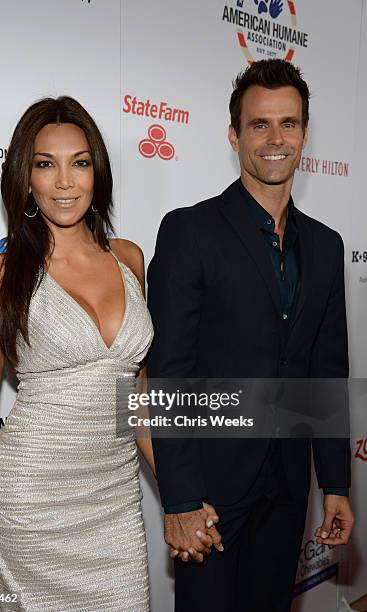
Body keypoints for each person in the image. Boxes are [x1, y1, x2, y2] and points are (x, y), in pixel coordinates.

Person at [147, 59, 355, 612]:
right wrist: (182, 499)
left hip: (288, 490)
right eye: (259, 124)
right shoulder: (190, 231)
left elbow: (325, 369)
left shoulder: (326, 245)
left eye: (288, 124)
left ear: (305, 134)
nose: (275, 138)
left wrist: (336, 482)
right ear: (234, 134)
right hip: (211, 495)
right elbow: (169, 372)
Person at [0, 96, 156, 612]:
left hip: (114, 507)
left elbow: (138, 403)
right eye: (46, 164)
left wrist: (182, 497)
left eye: (80, 162)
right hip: (28, 509)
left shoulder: (130, 259)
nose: (65, 182)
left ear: (98, 174)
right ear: (26, 179)